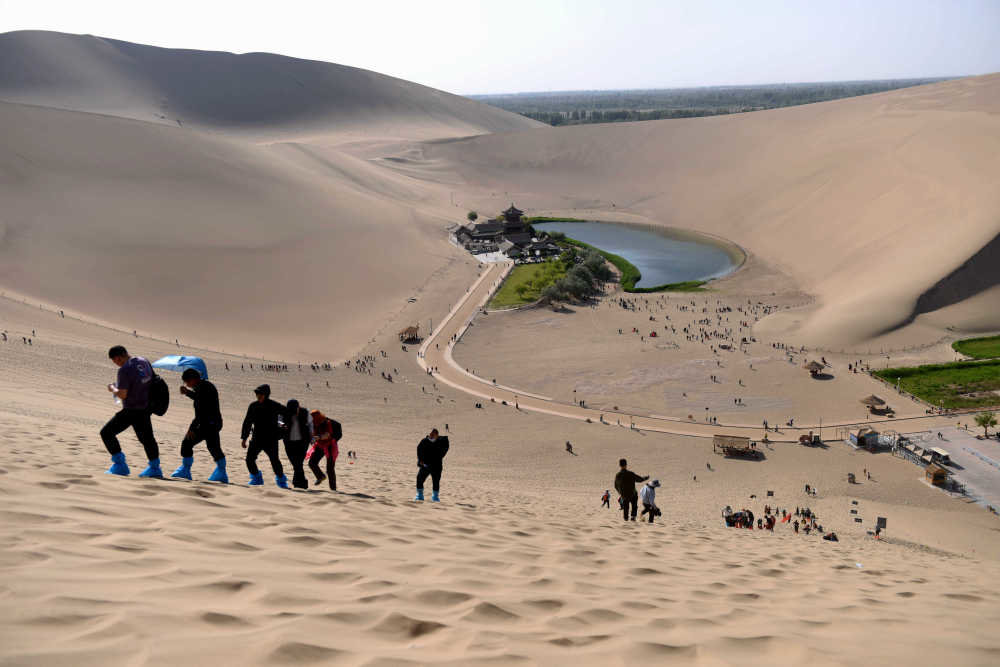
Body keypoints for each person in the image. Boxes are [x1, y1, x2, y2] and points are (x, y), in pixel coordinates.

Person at [100, 345, 161, 477]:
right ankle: (155, 468)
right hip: (145, 408)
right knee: (147, 439)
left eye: (115, 361)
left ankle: (120, 465)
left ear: (119, 357)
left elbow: (122, 395)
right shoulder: (143, 361)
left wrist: (112, 388)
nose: (116, 364)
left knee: (106, 433)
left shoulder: (124, 370)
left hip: (131, 409)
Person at [171, 368, 227, 483]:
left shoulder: (203, 388)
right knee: (213, 446)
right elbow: (199, 398)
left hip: (208, 423)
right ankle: (221, 472)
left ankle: (185, 471)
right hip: (213, 422)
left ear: (192, 380)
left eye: (186, 381)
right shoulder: (205, 386)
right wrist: (187, 393)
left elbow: (201, 411)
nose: (186, 384)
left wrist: (192, 428)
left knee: (187, 443)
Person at [240, 384, 288, 488]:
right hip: (256, 438)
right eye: (257, 394)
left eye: (260, 394)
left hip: (271, 439)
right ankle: (256, 478)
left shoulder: (275, 405)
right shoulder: (253, 406)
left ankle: (281, 481)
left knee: (275, 461)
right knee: (249, 460)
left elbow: (285, 415)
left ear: (266, 394)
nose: (258, 396)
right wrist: (244, 438)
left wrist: (281, 427)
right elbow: (247, 422)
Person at [283, 399, 312, 489]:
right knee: (295, 462)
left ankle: (299, 483)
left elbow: (311, 424)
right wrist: (282, 425)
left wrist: (312, 437)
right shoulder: (284, 412)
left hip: (303, 441)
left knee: (298, 462)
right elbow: (279, 421)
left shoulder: (305, 412)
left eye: (295, 409)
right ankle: (300, 482)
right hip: (289, 441)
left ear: (298, 407)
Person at [307, 409, 340, 490]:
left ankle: (333, 489)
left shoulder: (326, 423)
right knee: (312, 463)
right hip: (320, 445)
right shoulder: (312, 424)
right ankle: (320, 476)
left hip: (330, 446)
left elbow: (327, 435)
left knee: (330, 469)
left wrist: (318, 437)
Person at [415, 428, 449, 502]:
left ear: (437, 435)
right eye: (431, 433)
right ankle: (419, 495)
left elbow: (445, 449)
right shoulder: (424, 441)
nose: (432, 435)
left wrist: (446, 439)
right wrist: (420, 460)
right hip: (425, 465)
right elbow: (419, 450)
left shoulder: (440, 442)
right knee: (419, 479)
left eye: (434, 434)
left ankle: (435, 497)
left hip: (436, 466)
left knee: (436, 481)